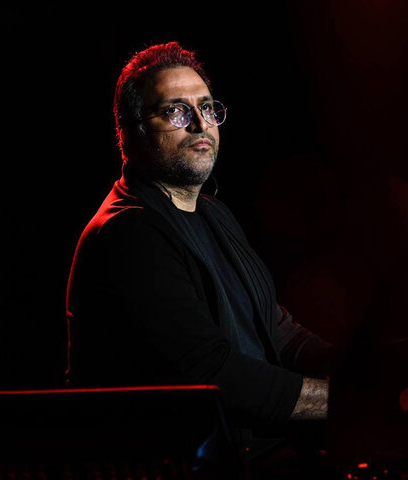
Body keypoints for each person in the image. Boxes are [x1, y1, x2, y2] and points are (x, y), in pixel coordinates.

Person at [65, 42, 333, 459]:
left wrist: (362, 370)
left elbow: (275, 327)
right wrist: (344, 400)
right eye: (175, 111)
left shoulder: (213, 214)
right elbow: (211, 373)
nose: (199, 124)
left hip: (251, 454)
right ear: (131, 131)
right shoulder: (128, 234)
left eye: (206, 108)